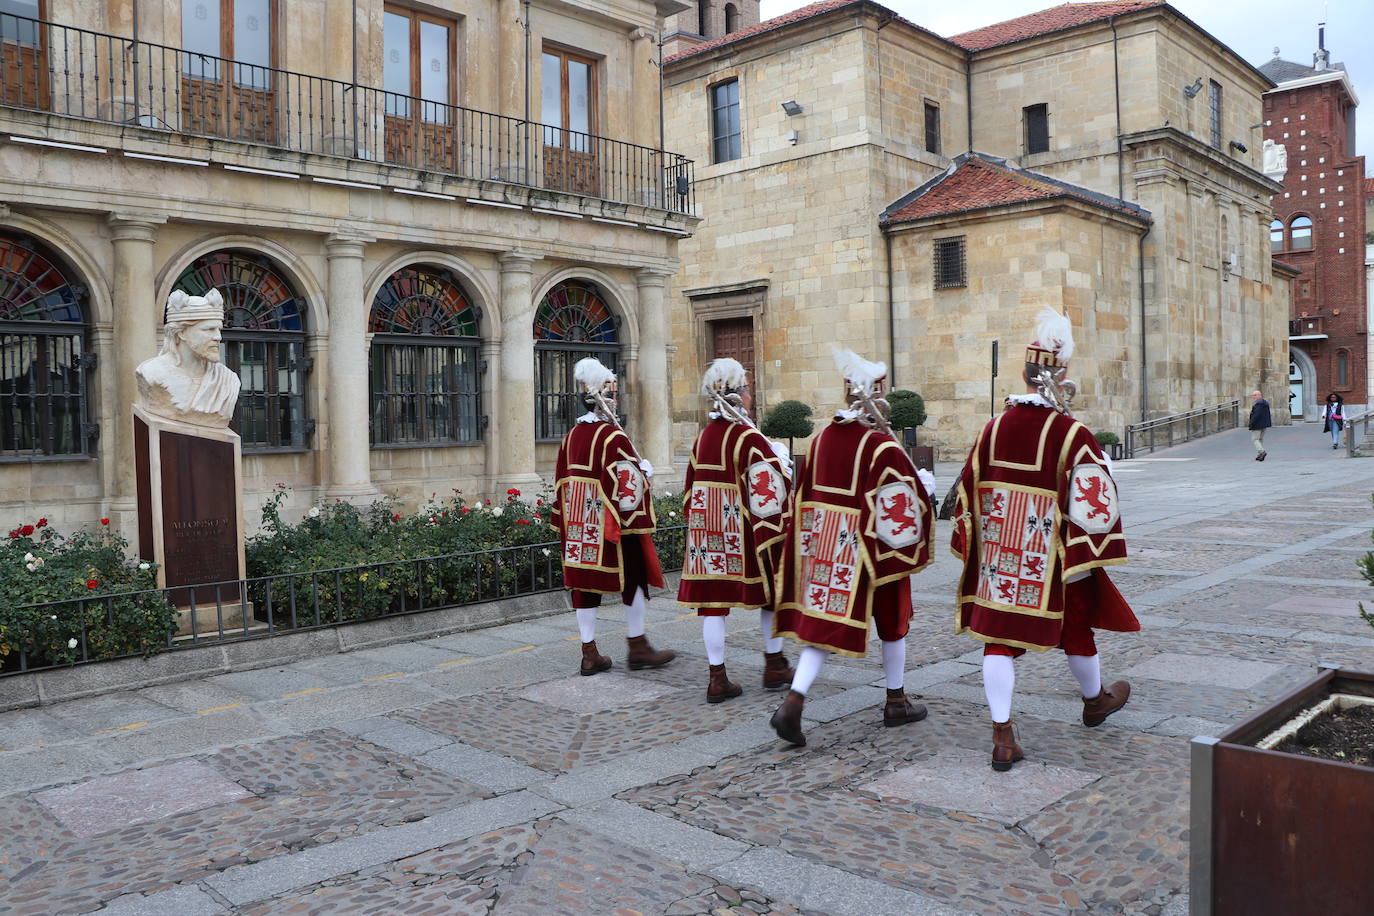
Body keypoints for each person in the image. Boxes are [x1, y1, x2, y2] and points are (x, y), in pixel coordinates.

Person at [951, 307, 1140, 771]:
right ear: (1063, 375)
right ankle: (1094, 701)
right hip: (1052, 560)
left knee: (997, 638)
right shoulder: (1072, 433)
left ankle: (1002, 735)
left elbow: (965, 492)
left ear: (1024, 374)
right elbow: (1098, 498)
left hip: (1001, 559)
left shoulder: (992, 429)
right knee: (1075, 626)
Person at [768, 349, 935, 747]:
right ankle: (896, 699)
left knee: (823, 628)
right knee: (894, 622)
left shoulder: (823, 437)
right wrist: (924, 491)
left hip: (828, 549)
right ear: (875, 397)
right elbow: (905, 507)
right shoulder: (884, 447)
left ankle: (794, 700)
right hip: (875, 550)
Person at [679, 358, 794, 702]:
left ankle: (717, 677)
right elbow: (770, 492)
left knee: (712, 605)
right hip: (744, 535)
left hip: (706, 536)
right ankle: (774, 664)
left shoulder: (703, 439)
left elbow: (689, 490)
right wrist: (783, 467)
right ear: (736, 394)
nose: (750, 394)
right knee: (771, 594)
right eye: (746, 388)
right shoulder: (747, 437)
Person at [551, 357, 675, 675]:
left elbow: (561, 485)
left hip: (580, 528)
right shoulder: (614, 437)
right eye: (613, 397)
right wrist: (644, 473)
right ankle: (638, 645)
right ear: (604, 401)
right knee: (632, 578)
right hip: (612, 527)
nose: (616, 403)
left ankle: (589, 652)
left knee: (584, 585)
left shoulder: (570, 438)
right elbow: (627, 488)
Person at [1248, 389, 1272, 461]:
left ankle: (1262, 452)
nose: (1253, 397)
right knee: (1260, 439)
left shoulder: (1258, 404)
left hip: (1257, 424)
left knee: (1255, 439)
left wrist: (1251, 423)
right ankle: (1260, 455)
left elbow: (1256, 415)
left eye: (1255, 395)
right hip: (1263, 424)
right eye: (1253, 395)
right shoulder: (1265, 403)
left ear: (1260, 395)